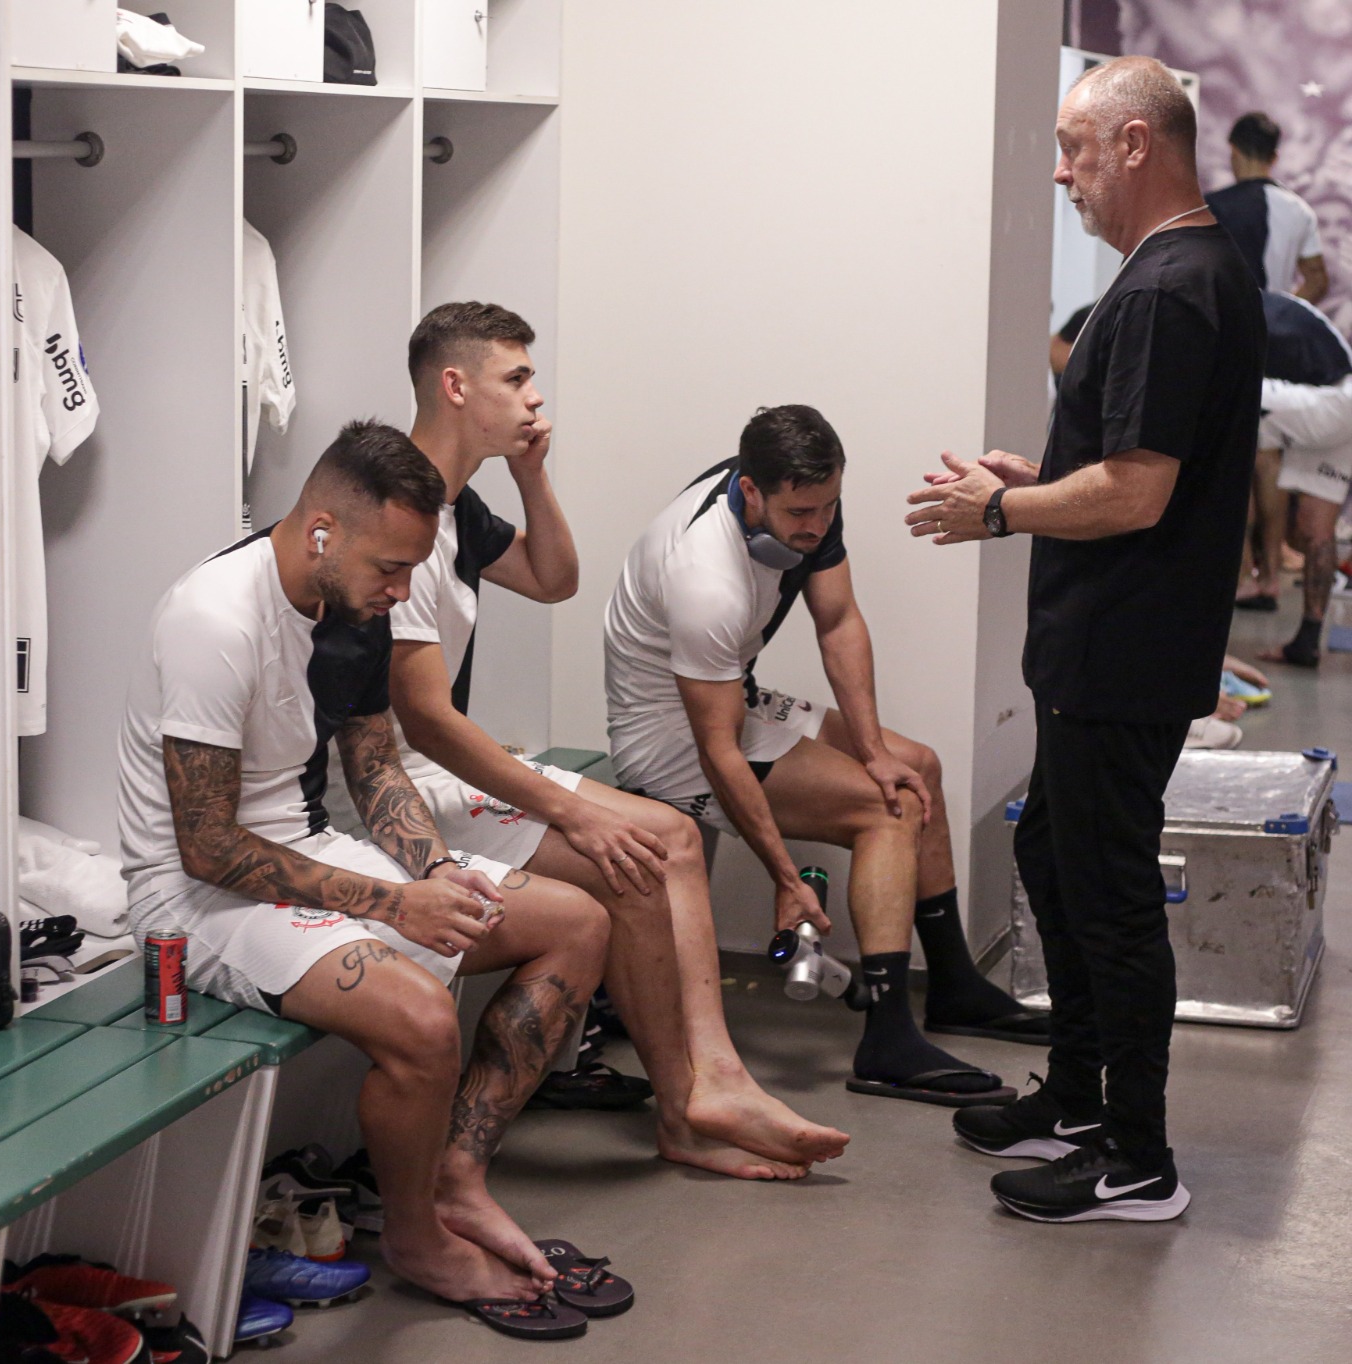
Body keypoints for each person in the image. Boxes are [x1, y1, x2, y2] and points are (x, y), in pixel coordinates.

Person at [116, 420, 611, 1307]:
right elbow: (208, 845)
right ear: (320, 533)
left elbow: (374, 762)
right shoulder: (214, 618)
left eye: (413, 568)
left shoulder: (350, 600)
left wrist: (428, 873)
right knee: (422, 1019)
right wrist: (392, 905)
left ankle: (454, 1181)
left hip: (301, 847)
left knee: (576, 923)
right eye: (391, 567)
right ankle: (419, 1241)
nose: (402, 588)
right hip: (192, 898)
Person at [906, 56, 1264, 1222]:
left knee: (1106, 895)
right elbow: (1120, 463)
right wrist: (1042, 474)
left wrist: (1002, 507)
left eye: (1072, 146)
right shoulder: (1179, 270)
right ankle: (1074, 1089)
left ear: (1133, 145)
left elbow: (1140, 492)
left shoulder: (1169, 286)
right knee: (1056, 862)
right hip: (1107, 643)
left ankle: (1136, 1157)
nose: (1057, 171)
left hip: (1123, 651)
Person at [386, 301, 847, 1180]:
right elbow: (425, 724)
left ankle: (710, 1085)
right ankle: (696, 1098)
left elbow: (555, 579)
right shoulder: (398, 518)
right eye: (515, 378)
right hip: (403, 784)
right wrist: (572, 812)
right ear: (455, 386)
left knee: (666, 836)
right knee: (639, 849)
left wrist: (529, 476)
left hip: (445, 760)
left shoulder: (451, 505)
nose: (534, 397)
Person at [604, 403, 1046, 1114]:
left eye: (827, 506)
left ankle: (956, 991)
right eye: (800, 510)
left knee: (915, 766)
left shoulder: (805, 504)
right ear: (751, 492)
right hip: (669, 739)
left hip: (729, 699)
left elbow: (837, 622)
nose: (815, 524)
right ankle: (889, 1041)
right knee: (884, 809)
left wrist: (872, 750)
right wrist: (784, 876)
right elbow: (716, 749)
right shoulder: (704, 576)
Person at [1251, 291, 1352, 668]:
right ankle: (1306, 641)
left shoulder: (1241, 309)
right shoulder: (1282, 306)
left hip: (1329, 406)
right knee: (1317, 528)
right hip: (1343, 402)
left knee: (1220, 408)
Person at [1206, 110, 1329, 302]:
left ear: (1234, 152)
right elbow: (1318, 282)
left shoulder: (1209, 207)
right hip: (1273, 329)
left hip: (1222, 327)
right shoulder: (1300, 210)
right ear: (1274, 157)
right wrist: (1281, 312)